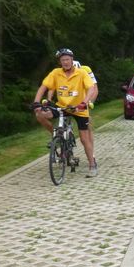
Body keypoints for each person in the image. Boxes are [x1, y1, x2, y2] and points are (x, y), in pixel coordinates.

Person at [32, 48, 98, 177]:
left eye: (67, 59)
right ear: (60, 62)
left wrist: (84, 102)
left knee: (84, 139)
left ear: (72, 60)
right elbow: (44, 86)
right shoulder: (56, 73)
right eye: (63, 60)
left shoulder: (82, 73)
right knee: (40, 114)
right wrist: (36, 102)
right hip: (62, 107)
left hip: (79, 109)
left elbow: (91, 88)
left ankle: (92, 164)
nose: (66, 62)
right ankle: (55, 135)